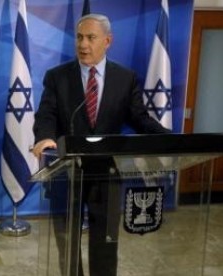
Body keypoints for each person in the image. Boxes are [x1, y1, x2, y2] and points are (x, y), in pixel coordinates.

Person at [32, 14, 171, 276]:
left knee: (105, 241)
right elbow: (46, 114)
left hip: (107, 174)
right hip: (66, 173)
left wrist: (169, 138)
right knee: (67, 241)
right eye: (80, 37)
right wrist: (44, 137)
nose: (83, 44)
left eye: (91, 38)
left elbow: (139, 119)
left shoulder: (125, 78)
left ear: (108, 41)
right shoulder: (57, 77)